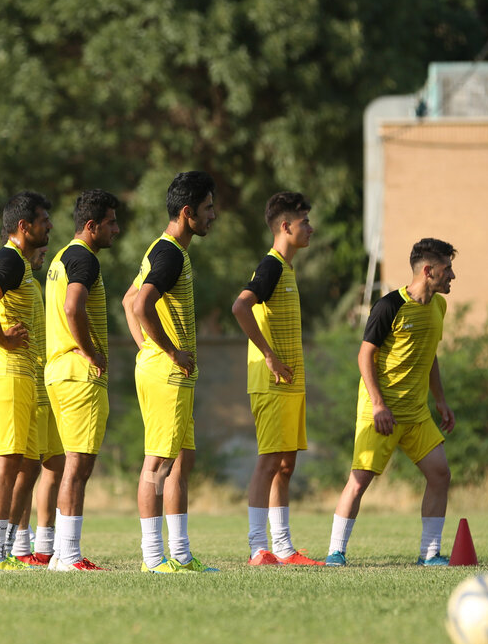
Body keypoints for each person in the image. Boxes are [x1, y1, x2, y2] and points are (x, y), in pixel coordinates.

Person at [325, 238, 458, 567]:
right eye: (447, 269)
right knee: (359, 481)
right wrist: (378, 404)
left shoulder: (439, 307)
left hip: (416, 414)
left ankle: (429, 554)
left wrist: (440, 401)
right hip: (380, 411)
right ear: (428, 271)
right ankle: (335, 552)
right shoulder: (388, 306)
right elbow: (364, 355)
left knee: (440, 474)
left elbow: (431, 357)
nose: (452, 275)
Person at [122, 172, 218, 573]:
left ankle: (179, 554)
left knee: (183, 460)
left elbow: (128, 300)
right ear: (187, 212)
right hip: (168, 373)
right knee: (158, 463)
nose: (214, 215)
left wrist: (145, 349)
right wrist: (168, 351)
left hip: (166, 370)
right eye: (208, 208)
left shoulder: (163, 249)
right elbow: (142, 304)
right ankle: (152, 558)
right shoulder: (170, 254)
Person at [230, 192, 322, 566]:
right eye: (304, 222)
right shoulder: (269, 267)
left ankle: (283, 549)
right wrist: (268, 355)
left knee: (286, 465)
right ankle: (258, 547)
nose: (310, 229)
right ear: (285, 226)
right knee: (269, 463)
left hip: (290, 384)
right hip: (271, 384)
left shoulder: (287, 268)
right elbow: (240, 307)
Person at [0, 191, 52, 571]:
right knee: (6, 464)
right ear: (24, 226)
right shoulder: (10, 260)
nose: (49, 226)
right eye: (43, 220)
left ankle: (6, 549)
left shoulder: (16, 264)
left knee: (27, 464)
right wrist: (0, 342)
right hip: (7, 373)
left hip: (15, 373)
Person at [44, 190, 121, 571]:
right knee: (78, 465)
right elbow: (72, 306)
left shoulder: (59, 257)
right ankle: (69, 556)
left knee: (70, 465)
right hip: (78, 375)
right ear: (91, 227)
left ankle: (61, 553)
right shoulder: (85, 259)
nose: (116, 230)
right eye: (110, 223)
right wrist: (91, 351)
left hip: (57, 373)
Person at [7, 244, 64, 567]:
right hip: (25, 379)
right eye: (41, 242)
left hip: (44, 380)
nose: (45, 250)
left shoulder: (32, 278)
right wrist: (0, 340)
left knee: (55, 464)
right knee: (25, 469)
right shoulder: (8, 266)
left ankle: (43, 545)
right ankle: (15, 544)